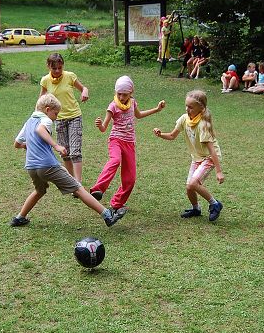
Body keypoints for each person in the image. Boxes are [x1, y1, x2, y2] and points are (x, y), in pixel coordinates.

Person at [11, 94, 126, 228]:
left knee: (39, 191)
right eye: (55, 113)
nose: (56, 117)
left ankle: (19, 217)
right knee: (78, 188)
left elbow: (17, 144)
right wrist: (56, 146)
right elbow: (40, 129)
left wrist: (28, 145)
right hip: (47, 165)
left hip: (31, 167)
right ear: (47, 110)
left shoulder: (29, 122)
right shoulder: (45, 120)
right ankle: (108, 215)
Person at [89, 76, 165, 212]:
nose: (122, 97)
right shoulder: (113, 106)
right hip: (116, 140)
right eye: (119, 94)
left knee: (130, 178)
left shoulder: (132, 103)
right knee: (115, 160)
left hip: (129, 143)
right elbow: (104, 128)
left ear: (131, 93)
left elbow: (139, 115)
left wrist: (156, 109)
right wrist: (100, 125)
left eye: (125, 94)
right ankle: (98, 189)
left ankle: (117, 203)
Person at [153, 90, 224, 222]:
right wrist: (161, 134)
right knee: (189, 187)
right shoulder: (184, 119)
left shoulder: (203, 125)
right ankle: (196, 209)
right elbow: (172, 136)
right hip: (196, 157)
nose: (187, 109)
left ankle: (215, 204)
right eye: (186, 106)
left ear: (201, 108)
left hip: (209, 158)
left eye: (191, 107)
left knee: (193, 183)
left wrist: (219, 171)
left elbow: (212, 150)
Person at [39, 53, 89, 184]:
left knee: (75, 151)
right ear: (48, 66)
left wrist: (85, 92)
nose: (57, 71)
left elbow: (83, 88)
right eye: (54, 68)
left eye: (60, 68)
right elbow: (41, 100)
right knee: (65, 152)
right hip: (59, 119)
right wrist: (37, 115)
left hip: (74, 116)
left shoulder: (70, 76)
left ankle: (78, 183)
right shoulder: (45, 80)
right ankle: (72, 181)